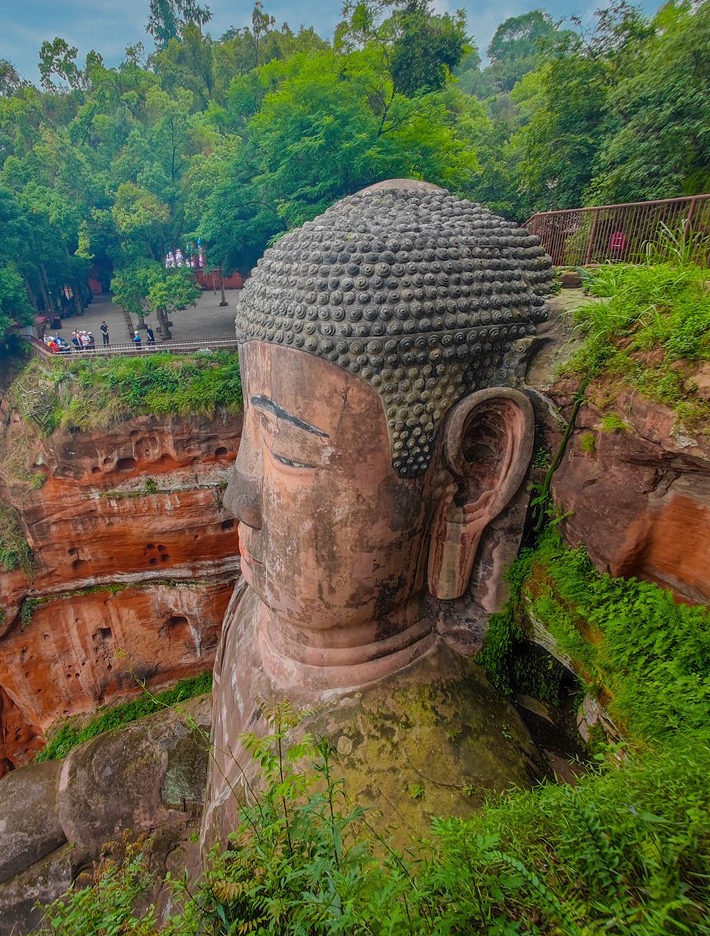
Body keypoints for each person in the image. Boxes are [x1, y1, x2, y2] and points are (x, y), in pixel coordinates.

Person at [200, 179, 553, 852]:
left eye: (287, 448)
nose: (238, 498)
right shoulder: (253, 611)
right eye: (249, 430)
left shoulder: (440, 806)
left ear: (474, 475)